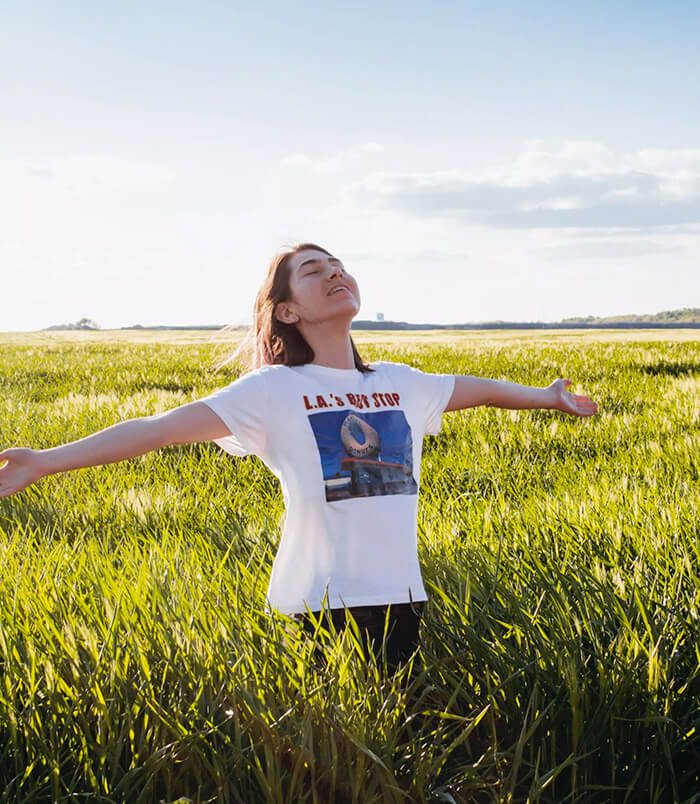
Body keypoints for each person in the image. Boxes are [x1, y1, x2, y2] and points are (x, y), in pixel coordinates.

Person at [0, 243, 598, 675]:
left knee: (395, 749)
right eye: (314, 271)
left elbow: (485, 389)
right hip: (317, 606)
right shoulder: (272, 390)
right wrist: (46, 461)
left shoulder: (402, 382)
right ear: (286, 310)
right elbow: (159, 430)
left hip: (400, 597)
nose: (335, 273)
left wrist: (548, 398)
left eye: (339, 266)